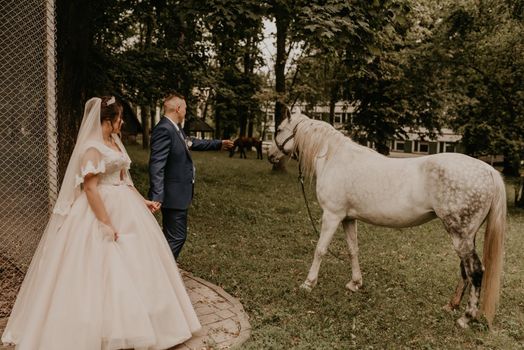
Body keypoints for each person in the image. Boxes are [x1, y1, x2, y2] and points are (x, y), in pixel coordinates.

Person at [2, 96, 201, 350]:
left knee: (138, 265)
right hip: (99, 211)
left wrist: (143, 202)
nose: (122, 123)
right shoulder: (92, 148)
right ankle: (100, 330)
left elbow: (124, 179)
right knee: (101, 269)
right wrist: (106, 223)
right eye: (119, 119)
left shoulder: (115, 143)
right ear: (108, 120)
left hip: (127, 208)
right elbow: (91, 189)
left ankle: (145, 324)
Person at [149, 92, 233, 260]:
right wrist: (157, 196)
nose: (186, 112)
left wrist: (218, 144)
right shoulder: (164, 129)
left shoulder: (175, 128)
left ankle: (160, 272)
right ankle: (160, 274)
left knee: (171, 237)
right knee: (177, 237)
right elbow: (156, 165)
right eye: (185, 108)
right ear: (178, 108)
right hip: (173, 195)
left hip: (178, 194)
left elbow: (191, 142)